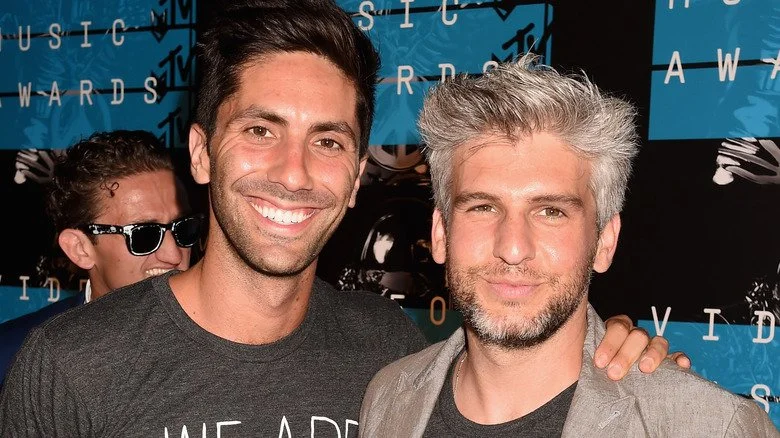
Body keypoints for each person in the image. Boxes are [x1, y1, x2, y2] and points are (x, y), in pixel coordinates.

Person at [1, 3, 684, 436]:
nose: (295, 173)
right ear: (203, 154)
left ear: (358, 175)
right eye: (262, 131)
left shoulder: (392, 356)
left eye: (328, 141)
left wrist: (616, 358)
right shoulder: (71, 366)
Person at [358, 55, 779, 437]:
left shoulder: (710, 427)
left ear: (605, 242)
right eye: (483, 207)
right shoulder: (388, 397)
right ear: (440, 234)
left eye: (551, 212)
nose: (514, 248)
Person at [0, 130, 199, 387]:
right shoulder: (15, 360)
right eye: (144, 235)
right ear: (80, 249)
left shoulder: (239, 340)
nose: (174, 256)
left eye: (184, 229)